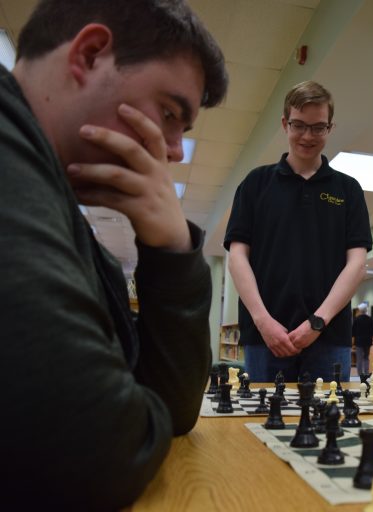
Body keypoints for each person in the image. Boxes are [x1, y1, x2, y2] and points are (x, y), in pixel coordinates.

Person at [0, 0, 228, 508]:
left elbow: (173, 408)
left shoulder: (54, 196)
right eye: (170, 113)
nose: (172, 151)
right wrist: (127, 406)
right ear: (90, 53)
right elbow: (96, 452)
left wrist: (171, 248)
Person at [225, 81, 373, 384]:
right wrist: (264, 322)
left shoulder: (349, 189)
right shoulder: (255, 184)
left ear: (330, 128)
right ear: (285, 123)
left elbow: (356, 264)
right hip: (264, 338)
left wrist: (317, 322)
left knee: (329, 428)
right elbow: (237, 257)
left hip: (329, 338)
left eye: (318, 127)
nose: (308, 136)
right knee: (260, 427)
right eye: (299, 125)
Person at [353, 302, 373, 375]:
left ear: (360, 310)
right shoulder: (370, 319)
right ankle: (366, 373)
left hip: (359, 342)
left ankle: (360, 374)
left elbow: (353, 331)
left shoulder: (356, 319)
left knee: (359, 359)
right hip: (368, 341)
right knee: (366, 357)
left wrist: (353, 342)